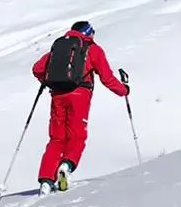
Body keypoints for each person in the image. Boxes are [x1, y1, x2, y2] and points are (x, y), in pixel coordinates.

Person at [31, 20, 129, 193]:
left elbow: (37, 68)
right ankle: (66, 166)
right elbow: (107, 78)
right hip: (80, 95)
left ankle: (46, 181)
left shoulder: (60, 48)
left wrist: (49, 82)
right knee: (77, 136)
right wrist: (124, 91)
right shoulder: (93, 49)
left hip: (57, 95)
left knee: (56, 138)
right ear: (89, 32)